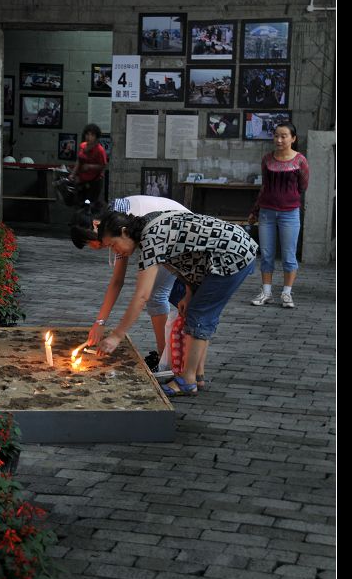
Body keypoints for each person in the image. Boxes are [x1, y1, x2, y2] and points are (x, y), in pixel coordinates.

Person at [94, 209, 258, 396]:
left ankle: (187, 381)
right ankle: (197, 375)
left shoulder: (151, 238)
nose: (116, 251)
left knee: (199, 315)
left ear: (124, 231)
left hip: (232, 256)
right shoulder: (149, 225)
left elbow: (142, 296)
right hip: (229, 251)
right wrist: (188, 293)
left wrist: (116, 335)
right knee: (195, 312)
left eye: (113, 245)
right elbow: (185, 257)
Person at [70, 196, 190, 371]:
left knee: (156, 295)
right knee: (158, 295)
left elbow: (140, 294)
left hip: (178, 234)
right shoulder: (114, 226)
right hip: (169, 234)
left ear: (96, 225)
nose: (94, 247)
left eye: (89, 242)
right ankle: (166, 358)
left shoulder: (119, 225)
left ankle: (166, 360)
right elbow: (117, 281)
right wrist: (100, 322)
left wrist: (116, 334)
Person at [248, 121, 310, 308]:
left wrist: (288, 199)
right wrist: (255, 210)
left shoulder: (300, 160)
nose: (279, 139)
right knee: (266, 254)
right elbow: (265, 186)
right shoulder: (267, 159)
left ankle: (286, 293)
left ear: (293, 138)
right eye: (276, 135)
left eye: (284, 136)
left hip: (290, 214)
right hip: (266, 212)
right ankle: (266, 293)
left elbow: (303, 186)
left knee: (289, 255)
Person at [69, 123, 108, 205]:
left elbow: (103, 165)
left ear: (96, 137)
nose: (89, 137)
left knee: (90, 205)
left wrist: (90, 166)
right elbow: (79, 160)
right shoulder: (83, 146)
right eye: (87, 134)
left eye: (92, 135)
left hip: (94, 182)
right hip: (82, 180)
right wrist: (73, 174)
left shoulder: (100, 150)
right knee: (79, 203)